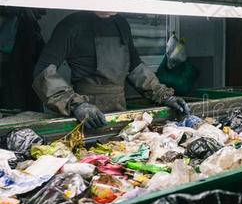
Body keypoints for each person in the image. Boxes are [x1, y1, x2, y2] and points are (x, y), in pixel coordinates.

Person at [33, 11, 190, 128]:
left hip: (120, 111)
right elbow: (43, 71)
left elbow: (135, 67)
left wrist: (163, 96)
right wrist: (76, 105)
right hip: (87, 115)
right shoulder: (72, 25)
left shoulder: (120, 23)